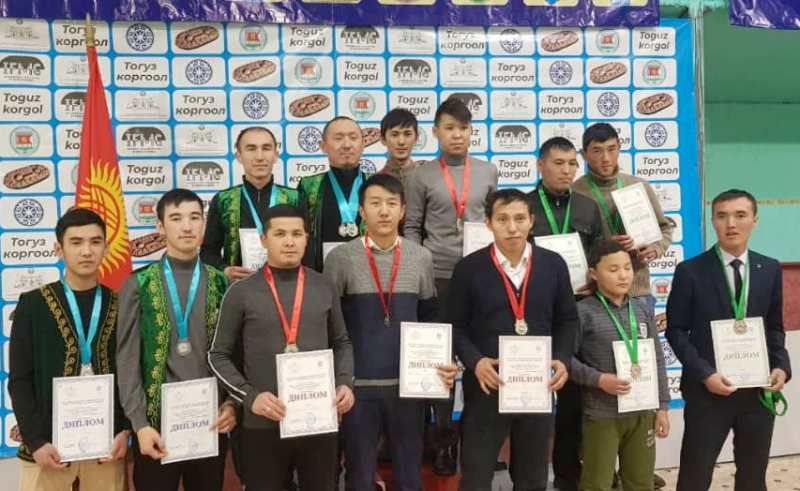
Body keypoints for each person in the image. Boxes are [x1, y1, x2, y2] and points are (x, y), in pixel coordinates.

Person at [324, 174, 458, 490]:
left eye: (391, 203)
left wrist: (446, 360)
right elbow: (331, 324)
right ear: (361, 211)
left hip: (408, 387)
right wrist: (338, 379)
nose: (383, 211)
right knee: (360, 476)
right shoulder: (340, 259)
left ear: (403, 211)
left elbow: (429, 317)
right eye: (375, 203)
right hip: (358, 387)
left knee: (410, 474)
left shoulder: (421, 257)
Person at [208, 205, 355, 491]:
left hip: (318, 421)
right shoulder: (240, 292)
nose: (289, 241)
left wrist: (345, 383)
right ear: (264, 239)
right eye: (280, 234)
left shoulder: (324, 286)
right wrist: (250, 397)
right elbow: (218, 355)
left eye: (297, 234)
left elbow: (342, 342)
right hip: (263, 423)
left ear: (306, 239)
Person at [449, 189, 577, 490]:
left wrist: (562, 359)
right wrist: (475, 362)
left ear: (531, 220)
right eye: (502, 219)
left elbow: (567, 320)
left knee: (533, 478)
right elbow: (455, 326)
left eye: (520, 218)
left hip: (537, 385)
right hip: (488, 385)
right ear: (488, 223)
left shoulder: (553, 264)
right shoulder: (469, 268)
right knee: (476, 477)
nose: (512, 227)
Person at [666, 189, 791, 491]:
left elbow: (774, 327)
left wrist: (781, 367)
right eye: (722, 216)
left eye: (740, 215)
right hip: (708, 391)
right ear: (713, 222)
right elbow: (676, 331)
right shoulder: (690, 271)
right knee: (695, 476)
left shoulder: (769, 268)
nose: (731, 224)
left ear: (755, 220)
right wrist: (705, 374)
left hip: (757, 392)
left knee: (753, 476)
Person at [117, 189, 236, 491]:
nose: (186, 226)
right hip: (155, 428)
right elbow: (127, 358)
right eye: (176, 218)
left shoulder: (221, 282)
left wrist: (232, 404)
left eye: (194, 217)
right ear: (160, 226)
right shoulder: (139, 283)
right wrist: (139, 424)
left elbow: (235, 352)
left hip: (210, 422)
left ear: (204, 224)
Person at [404, 97, 498, 474]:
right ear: (436, 132)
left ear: (472, 131)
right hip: (438, 277)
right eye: (449, 128)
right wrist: (419, 270)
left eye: (464, 128)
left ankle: (479, 440)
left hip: (480, 276)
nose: (457, 135)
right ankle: (443, 442)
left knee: (480, 357)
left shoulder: (488, 171)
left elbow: (493, 221)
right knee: (442, 362)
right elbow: (412, 227)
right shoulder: (420, 176)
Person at [9, 208, 129, 491]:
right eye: (76, 242)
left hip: (106, 447)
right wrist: (36, 441)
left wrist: (124, 430)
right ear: (58, 249)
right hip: (47, 449)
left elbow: (130, 374)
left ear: (106, 248)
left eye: (95, 242)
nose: (86, 251)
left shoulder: (120, 303)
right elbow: (20, 379)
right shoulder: (33, 304)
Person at [528, 136, 603, 491]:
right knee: (533, 398)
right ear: (540, 165)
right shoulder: (524, 207)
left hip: (580, 311)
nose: (567, 170)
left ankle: (567, 478)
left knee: (574, 399)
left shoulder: (588, 207)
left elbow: (601, 255)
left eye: (572, 163)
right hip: (534, 313)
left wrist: (596, 276)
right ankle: (529, 476)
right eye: (558, 163)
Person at [571, 239, 670, 491]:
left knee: (640, 482)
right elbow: (564, 360)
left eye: (627, 268)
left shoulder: (641, 310)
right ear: (594, 273)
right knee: (597, 484)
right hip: (602, 414)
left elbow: (657, 358)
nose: (623, 275)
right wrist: (598, 379)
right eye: (613, 269)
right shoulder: (582, 312)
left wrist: (662, 407)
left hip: (642, 411)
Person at [572, 123, 673, 313]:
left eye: (611, 149)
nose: (605, 158)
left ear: (619, 148)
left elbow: (664, 228)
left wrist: (655, 248)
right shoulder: (575, 192)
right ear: (584, 154)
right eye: (597, 151)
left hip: (637, 292)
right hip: (593, 294)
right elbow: (572, 244)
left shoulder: (638, 186)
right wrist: (605, 246)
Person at [201, 126, 299, 282]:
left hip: (286, 286)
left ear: (275, 155)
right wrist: (225, 270)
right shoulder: (224, 200)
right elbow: (208, 252)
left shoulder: (294, 198)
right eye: (251, 149)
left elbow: (307, 249)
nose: (259, 157)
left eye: (266, 148)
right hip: (238, 288)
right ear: (239, 156)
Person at [298, 116, 371, 271]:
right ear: (323, 146)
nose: (347, 145)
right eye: (338, 138)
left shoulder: (376, 184)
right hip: (321, 275)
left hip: (369, 276)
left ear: (363, 144)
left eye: (353, 138)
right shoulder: (309, 187)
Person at [379, 108, 421, 188]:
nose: (401, 142)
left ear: (416, 138)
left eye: (407, 134)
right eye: (394, 135)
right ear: (383, 139)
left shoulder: (427, 178)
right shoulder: (375, 182)